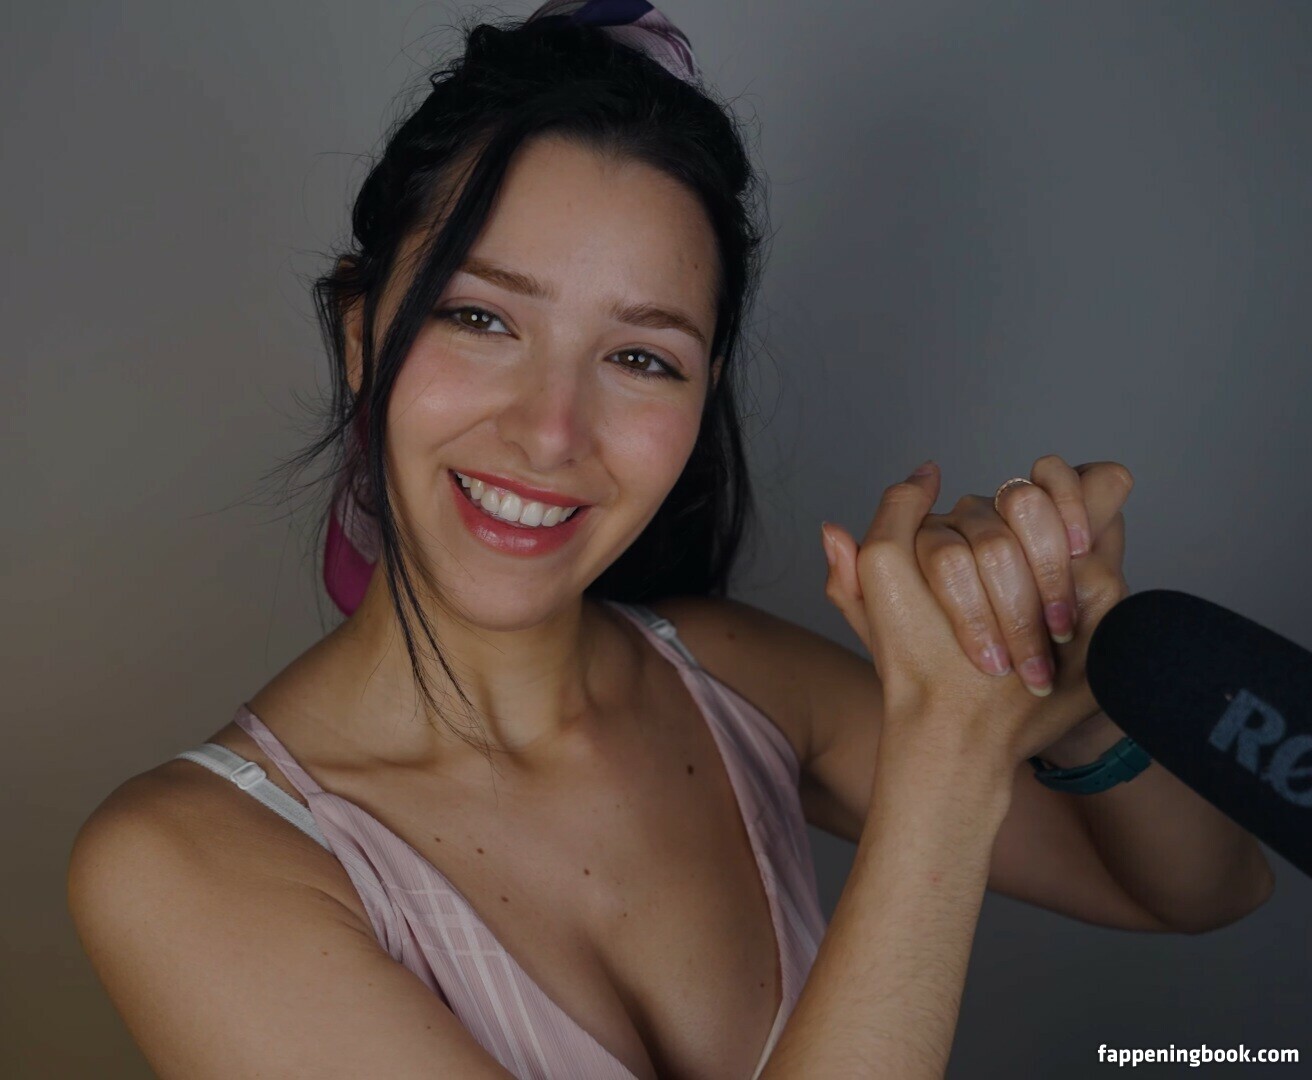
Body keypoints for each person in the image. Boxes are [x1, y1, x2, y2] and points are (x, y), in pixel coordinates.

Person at [67, 3, 1275, 1078]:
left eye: (641, 357)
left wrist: (1072, 686)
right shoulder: (179, 863)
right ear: (356, 336)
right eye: (480, 318)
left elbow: (1201, 888)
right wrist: (948, 761)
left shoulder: (731, 678)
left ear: (701, 401)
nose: (550, 432)